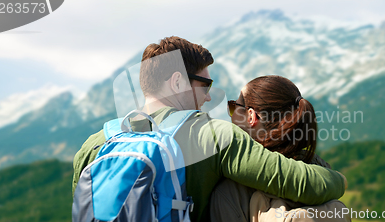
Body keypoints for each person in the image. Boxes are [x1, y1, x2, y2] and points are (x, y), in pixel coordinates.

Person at [72, 36, 347, 222]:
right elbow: (303, 184)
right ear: (178, 81)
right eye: (205, 85)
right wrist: (340, 181)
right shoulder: (214, 135)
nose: (207, 97)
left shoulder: (93, 145)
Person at [210, 75, 350, 222]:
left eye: (233, 107)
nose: (230, 115)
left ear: (251, 116)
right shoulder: (318, 169)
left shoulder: (230, 189)